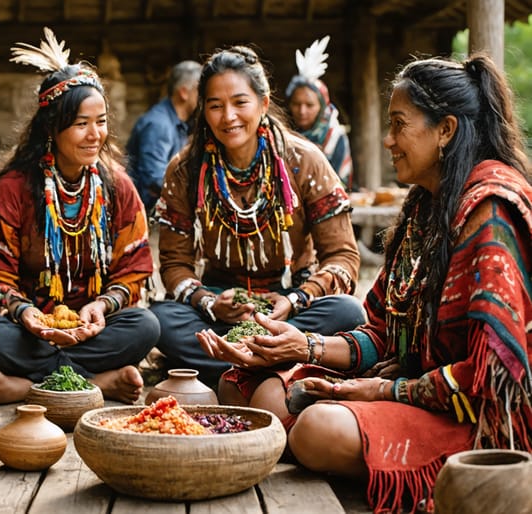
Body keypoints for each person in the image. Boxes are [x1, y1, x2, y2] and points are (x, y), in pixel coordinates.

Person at [197, 54, 532, 513]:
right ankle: (297, 427)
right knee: (246, 390)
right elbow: (380, 330)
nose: (387, 139)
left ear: (446, 130)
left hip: (479, 417)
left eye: (398, 124)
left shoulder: (489, 212)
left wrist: (384, 391)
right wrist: (303, 347)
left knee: (316, 429)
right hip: (411, 384)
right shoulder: (423, 208)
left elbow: (490, 377)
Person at [0, 28, 159, 406]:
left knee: (146, 325)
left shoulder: (118, 187)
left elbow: (133, 274)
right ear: (52, 128)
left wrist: (101, 307)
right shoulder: (15, 187)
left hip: (94, 329)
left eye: (101, 122)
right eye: (81, 123)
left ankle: (21, 386)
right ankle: (100, 383)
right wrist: (27, 313)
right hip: (27, 330)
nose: (94, 135)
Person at [150, 45, 365, 394]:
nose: (228, 116)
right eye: (215, 106)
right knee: (159, 321)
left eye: (240, 102)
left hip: (293, 306)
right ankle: (276, 364)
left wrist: (296, 299)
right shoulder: (186, 170)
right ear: (202, 111)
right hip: (220, 310)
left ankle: (235, 363)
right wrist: (209, 302)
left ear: (263, 104)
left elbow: (344, 258)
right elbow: (175, 263)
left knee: (347, 312)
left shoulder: (303, 161)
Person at [126, 60, 202, 212]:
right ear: (184, 92)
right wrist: (195, 195)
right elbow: (154, 178)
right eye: (199, 90)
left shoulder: (177, 122)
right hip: (145, 217)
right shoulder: (159, 125)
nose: (203, 97)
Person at [285, 36, 354, 189]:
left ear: (322, 107)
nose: (302, 111)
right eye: (297, 104)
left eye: (309, 105)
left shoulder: (334, 138)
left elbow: (341, 183)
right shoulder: (283, 135)